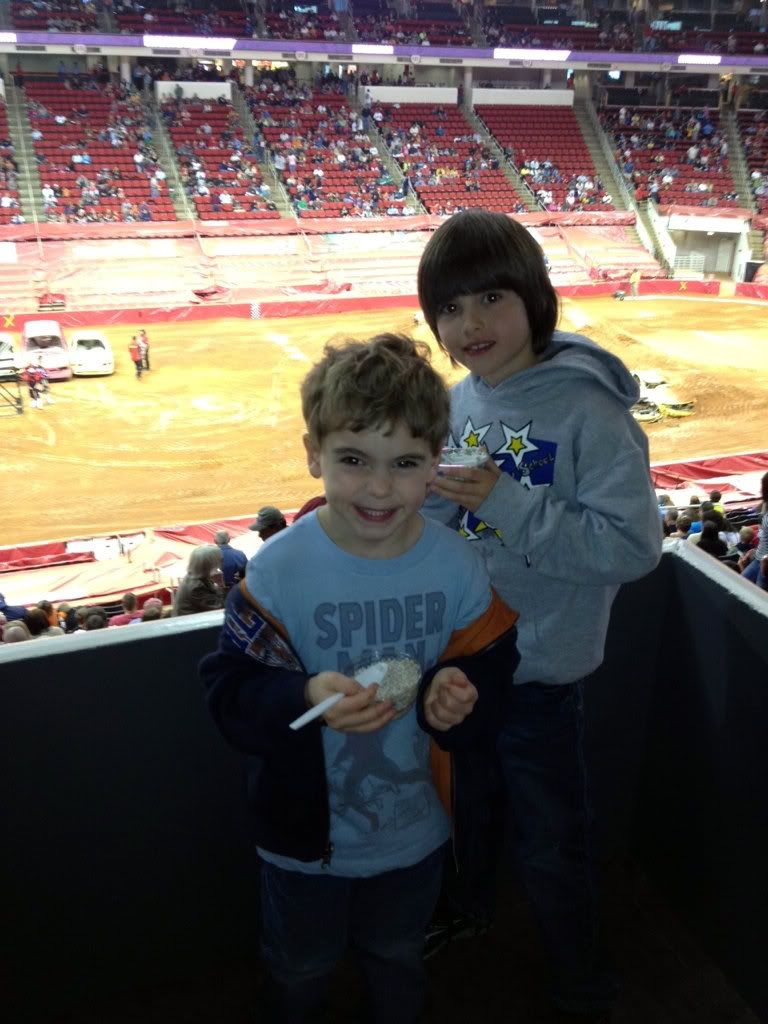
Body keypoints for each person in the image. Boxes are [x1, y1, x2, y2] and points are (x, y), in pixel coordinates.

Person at [200, 333, 520, 1024]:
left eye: (405, 463)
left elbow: (493, 668)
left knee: (398, 958)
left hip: (421, 837)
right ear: (313, 453)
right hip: (302, 849)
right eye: (352, 460)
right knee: (299, 968)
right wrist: (302, 695)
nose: (379, 487)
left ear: (437, 461)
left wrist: (459, 693)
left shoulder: (460, 567)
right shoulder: (277, 573)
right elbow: (228, 698)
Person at [417, 209, 662, 1020]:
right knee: (467, 817)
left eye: (490, 297)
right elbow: (457, 524)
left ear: (534, 296)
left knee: (555, 845)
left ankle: (580, 978)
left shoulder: (591, 412)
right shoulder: (458, 402)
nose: (471, 322)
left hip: (541, 677)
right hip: (460, 668)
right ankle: (473, 917)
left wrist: (506, 502)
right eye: (450, 308)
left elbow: (632, 548)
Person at [173, 544, 226, 615]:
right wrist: (220, 585)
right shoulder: (197, 586)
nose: (222, 560)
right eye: (219, 559)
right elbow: (220, 607)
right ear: (209, 563)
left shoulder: (194, 576)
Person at [740, 471, 768, 590]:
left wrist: (765, 561)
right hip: (759, 557)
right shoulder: (766, 505)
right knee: (740, 586)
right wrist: (755, 550)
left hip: (765, 564)